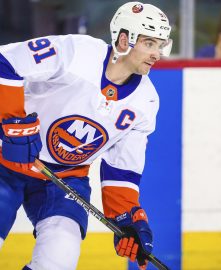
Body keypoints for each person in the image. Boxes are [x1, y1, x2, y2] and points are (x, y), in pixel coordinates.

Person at [0, 2, 172, 270]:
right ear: (124, 39)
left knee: (60, 257)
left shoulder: (146, 102)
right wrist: (12, 123)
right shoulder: (76, 52)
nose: (157, 54)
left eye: (161, 45)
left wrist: (128, 219)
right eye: (150, 43)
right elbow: (6, 62)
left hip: (64, 179)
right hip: (5, 161)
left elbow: (120, 170)